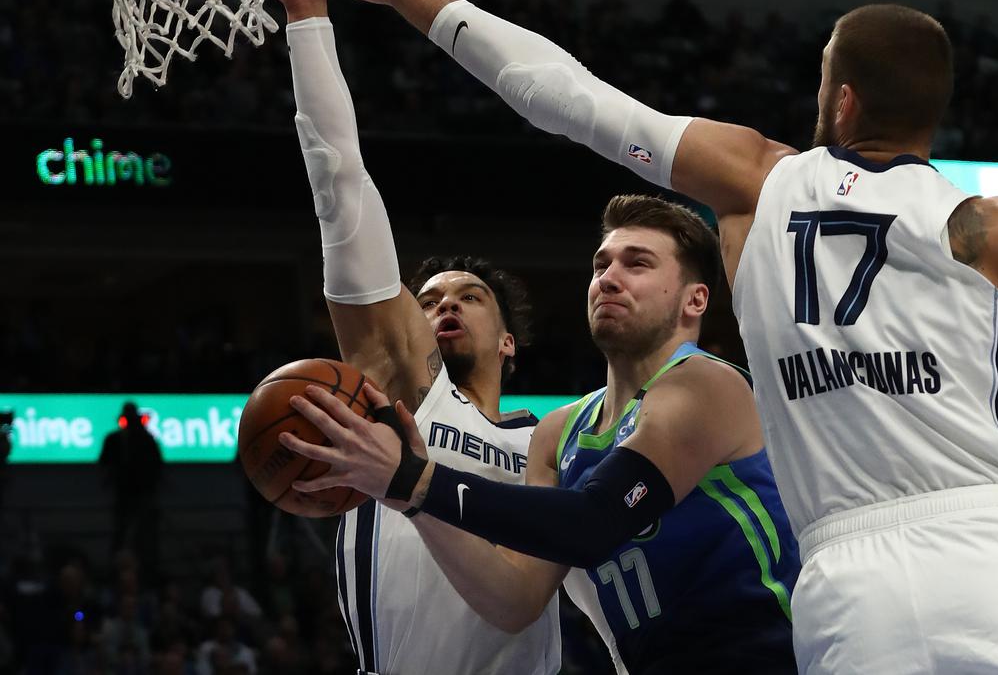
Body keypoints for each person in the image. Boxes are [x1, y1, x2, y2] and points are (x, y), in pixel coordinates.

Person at [266, 0, 998, 671]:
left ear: (836, 104)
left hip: (849, 587)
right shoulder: (992, 228)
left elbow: (562, 95)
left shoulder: (759, 183)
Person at [282, 194, 800, 674]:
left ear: (695, 301)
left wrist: (416, 481)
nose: (609, 278)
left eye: (637, 263)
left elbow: (594, 521)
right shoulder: (559, 431)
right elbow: (514, 600)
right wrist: (414, 502)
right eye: (602, 265)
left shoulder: (707, 385)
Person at [250, 0, 560, 673]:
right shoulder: (399, 398)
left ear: (511, 342)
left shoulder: (554, 442)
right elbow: (341, 185)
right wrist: (307, 20)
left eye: (470, 296)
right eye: (427, 299)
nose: (443, 304)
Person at [98, 401, 163, 573]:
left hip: (143, 495)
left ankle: (147, 569)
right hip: (123, 494)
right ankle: (117, 569)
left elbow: (156, 466)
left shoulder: (147, 440)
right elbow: (104, 463)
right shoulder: (114, 440)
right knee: (121, 532)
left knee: (144, 535)